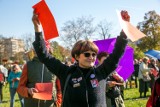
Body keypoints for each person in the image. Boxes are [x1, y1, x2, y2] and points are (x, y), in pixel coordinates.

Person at [32, 10, 129, 107]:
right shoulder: (66, 72)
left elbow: (117, 53)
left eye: (94, 54)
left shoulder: (101, 71)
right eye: (87, 54)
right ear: (77, 56)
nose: (91, 57)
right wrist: (37, 28)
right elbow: (44, 56)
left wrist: (125, 29)